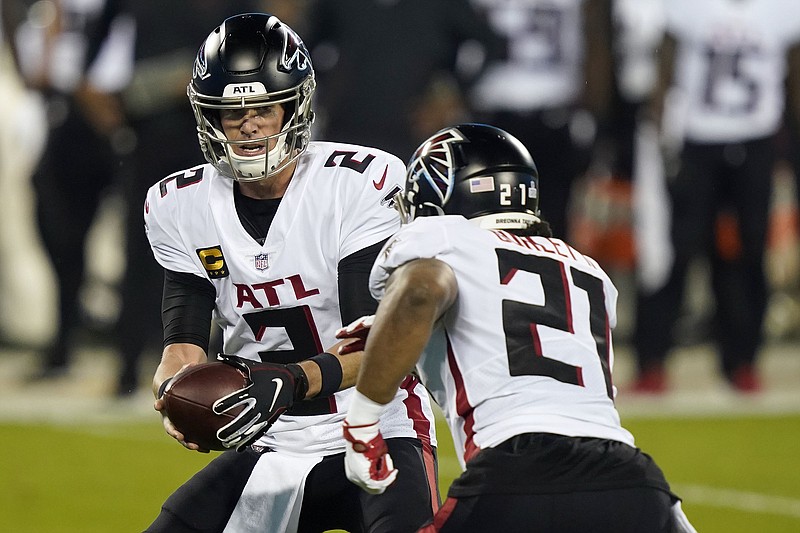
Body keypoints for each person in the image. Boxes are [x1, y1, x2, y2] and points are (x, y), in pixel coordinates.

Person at [142, 13, 438, 533]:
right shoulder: (178, 204)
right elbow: (183, 342)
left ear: (293, 106)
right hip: (272, 438)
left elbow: (378, 346)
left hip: (375, 425)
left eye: (262, 108)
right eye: (231, 112)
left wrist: (285, 381)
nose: (248, 125)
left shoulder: (356, 184)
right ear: (207, 116)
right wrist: (175, 392)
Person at [339, 123, 697, 532]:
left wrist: (363, 421)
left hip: (517, 468)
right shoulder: (588, 271)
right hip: (633, 479)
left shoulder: (447, 236)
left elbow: (421, 290)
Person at [631, 0, 800, 394]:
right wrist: (658, 129)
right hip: (697, 142)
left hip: (757, 140)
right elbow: (665, 67)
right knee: (676, 252)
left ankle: (743, 361)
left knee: (748, 254)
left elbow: (794, 76)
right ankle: (652, 361)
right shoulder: (688, 8)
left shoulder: (783, 9)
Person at [15, 0, 135, 378]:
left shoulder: (118, 12)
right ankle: (65, 342)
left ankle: (135, 348)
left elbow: (121, 62)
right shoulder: (50, 13)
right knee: (61, 240)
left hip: (117, 122)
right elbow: (36, 74)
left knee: (141, 238)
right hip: (68, 127)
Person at [466, 0, 614, 239]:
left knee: (548, 220)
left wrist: (594, 117)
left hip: (550, 117)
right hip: (495, 116)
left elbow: (595, 42)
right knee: (485, 218)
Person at [303, 0, 499, 161]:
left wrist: (454, 96)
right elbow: (302, 49)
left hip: (413, 130)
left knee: (410, 204)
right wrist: (324, 88)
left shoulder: (442, 5)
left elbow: (493, 45)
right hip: (347, 126)